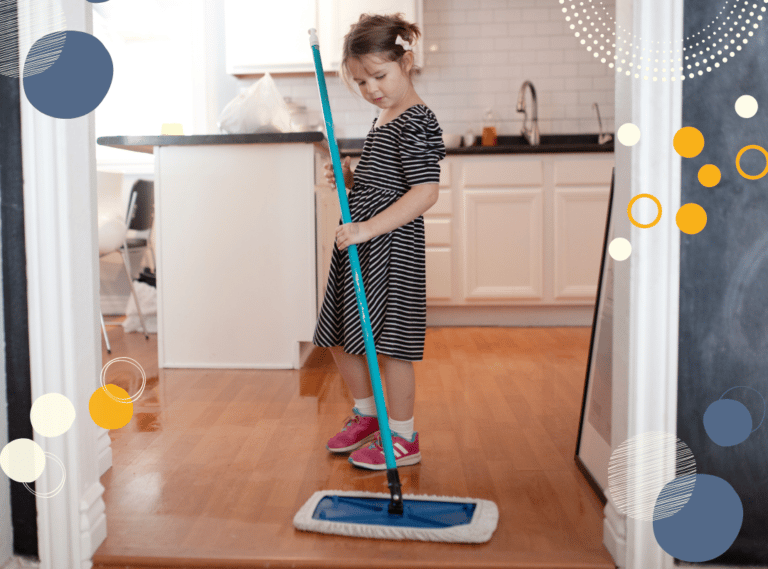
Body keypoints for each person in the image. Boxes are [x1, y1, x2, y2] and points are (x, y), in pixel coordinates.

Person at [312, 13, 446, 470]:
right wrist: (348, 178)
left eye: (379, 75)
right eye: (361, 81)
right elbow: (385, 183)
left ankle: (404, 436)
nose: (372, 89)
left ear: (406, 62)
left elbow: (425, 191)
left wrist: (368, 228)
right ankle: (368, 417)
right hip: (360, 246)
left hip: (391, 249)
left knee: (389, 346)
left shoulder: (416, 120)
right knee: (339, 335)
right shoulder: (385, 115)